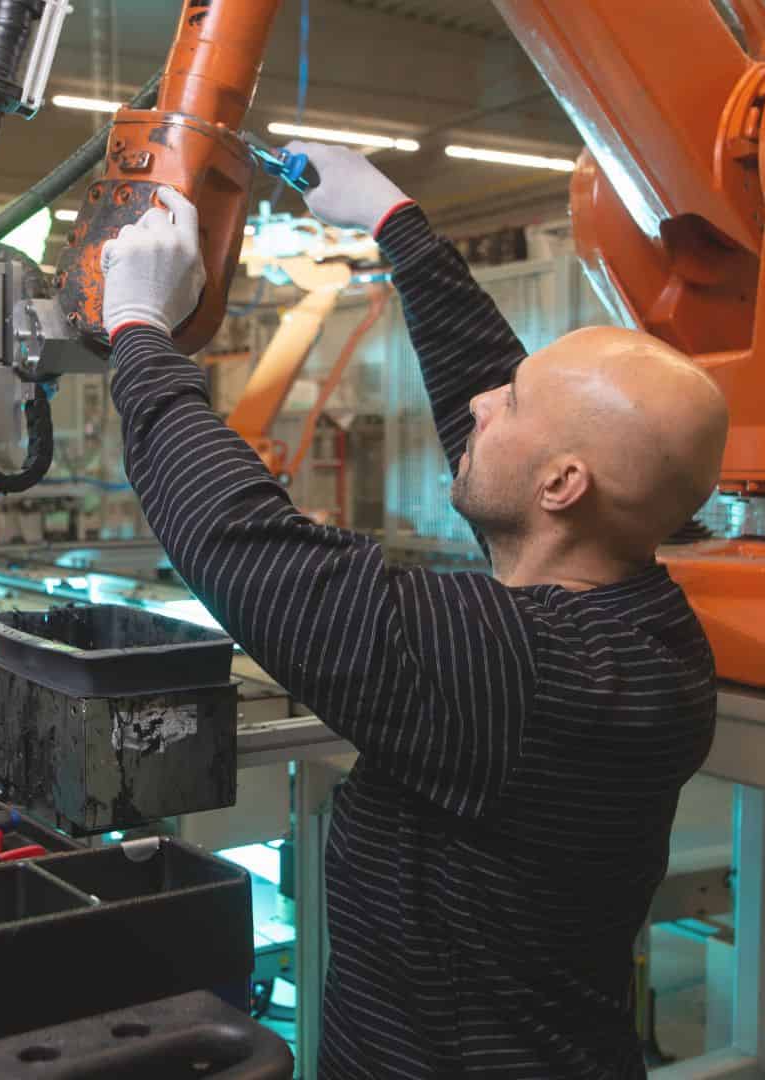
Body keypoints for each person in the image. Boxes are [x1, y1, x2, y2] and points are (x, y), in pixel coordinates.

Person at [98, 142, 732, 1079]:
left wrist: (139, 333)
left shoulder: (528, 676)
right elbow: (507, 405)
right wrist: (396, 222)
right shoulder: (633, 617)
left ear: (562, 485)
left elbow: (252, 551)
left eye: (508, 405)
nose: (480, 402)